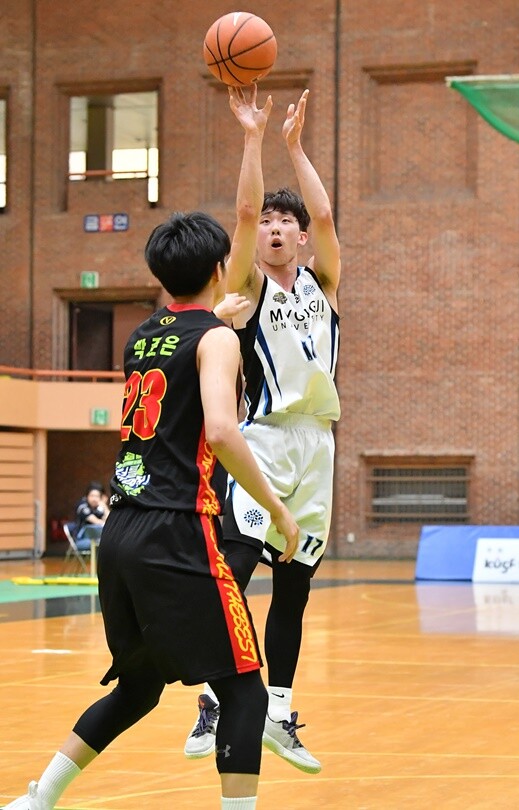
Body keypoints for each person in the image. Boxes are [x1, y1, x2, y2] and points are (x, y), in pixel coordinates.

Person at [3, 210, 299, 810]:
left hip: (121, 530)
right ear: (220, 269)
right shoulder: (217, 340)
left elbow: (186, 341)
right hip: (179, 530)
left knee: (138, 687)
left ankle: (37, 799)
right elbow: (221, 430)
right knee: (245, 691)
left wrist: (220, 319)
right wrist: (277, 508)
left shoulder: (141, 336)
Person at [184, 86, 340, 775]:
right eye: (270, 221)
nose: (275, 228)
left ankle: (279, 709)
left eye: (286, 222)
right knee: (238, 568)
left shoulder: (324, 284)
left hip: (319, 445)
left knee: (296, 583)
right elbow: (243, 213)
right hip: (266, 438)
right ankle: (214, 699)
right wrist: (253, 138)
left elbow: (326, 214)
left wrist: (296, 148)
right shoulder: (248, 287)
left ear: (301, 237)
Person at [74, 482, 109, 550]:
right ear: (87, 496)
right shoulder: (82, 506)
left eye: (97, 496)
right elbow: (97, 522)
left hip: (98, 538)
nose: (94, 499)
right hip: (82, 540)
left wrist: (104, 506)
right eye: (92, 496)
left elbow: (110, 521)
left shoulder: (99, 507)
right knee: (106, 543)